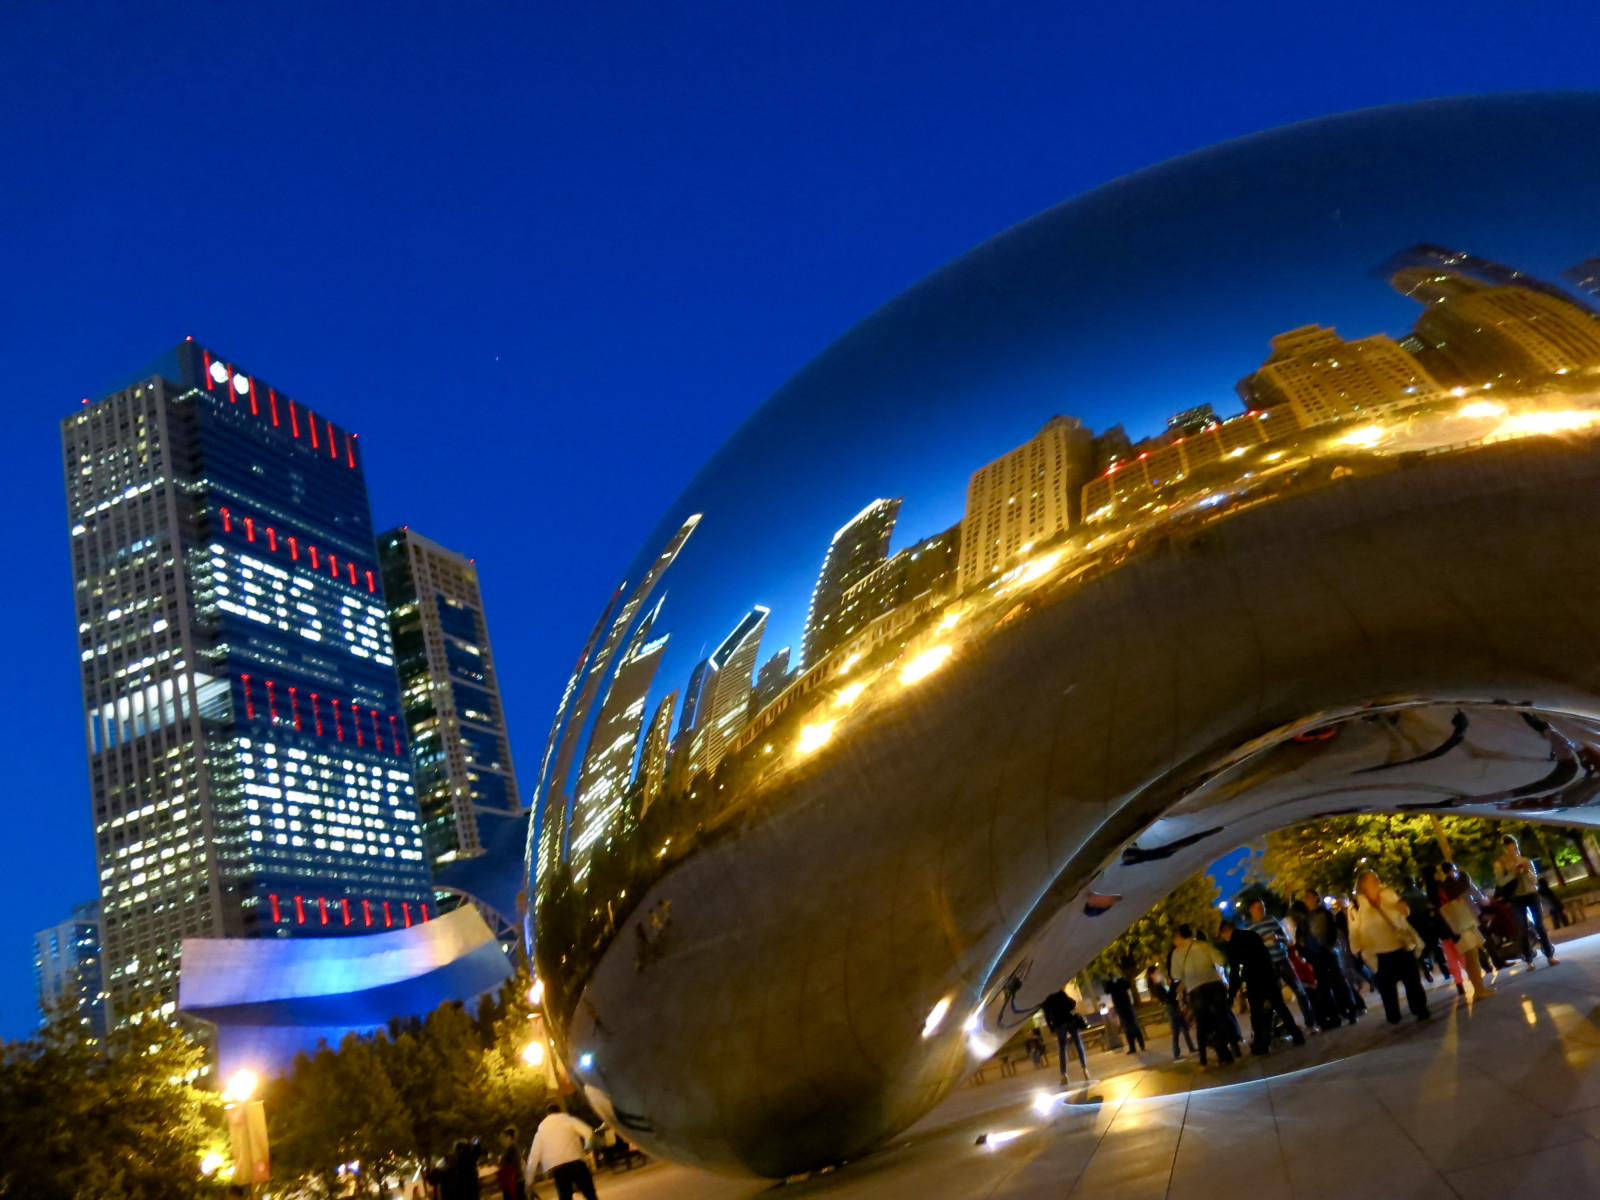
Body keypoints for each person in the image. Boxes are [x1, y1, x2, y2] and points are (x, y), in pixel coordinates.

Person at [1347, 870, 1431, 1023]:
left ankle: (1420, 1009)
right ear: (1363, 885)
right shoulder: (1356, 905)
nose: (1376, 881)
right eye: (1372, 879)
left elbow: (1404, 913)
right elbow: (1353, 929)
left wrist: (1403, 908)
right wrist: (1357, 949)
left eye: (1376, 878)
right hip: (1379, 953)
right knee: (1387, 989)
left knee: (1412, 981)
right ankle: (1393, 1015)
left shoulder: (1389, 895)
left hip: (1401, 946)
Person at [1219, 919, 1306, 1054]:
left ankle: (1261, 1044)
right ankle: (1297, 1035)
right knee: (1280, 1006)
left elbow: (1236, 971)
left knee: (1256, 1014)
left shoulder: (1233, 945)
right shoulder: (1252, 935)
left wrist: (1232, 993)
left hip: (1254, 980)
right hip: (1268, 975)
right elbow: (1265, 953)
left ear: (1225, 933)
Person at [1244, 899, 1316, 1030]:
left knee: (1299, 990)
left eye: (1262, 907)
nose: (1261, 909)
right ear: (1251, 910)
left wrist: (1278, 938)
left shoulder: (1271, 920)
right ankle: (1288, 1027)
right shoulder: (1249, 928)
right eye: (1258, 907)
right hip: (1268, 965)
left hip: (1282, 959)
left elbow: (1287, 939)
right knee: (1276, 999)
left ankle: (1310, 1023)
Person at [1170, 924, 1236, 1065]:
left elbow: (1175, 975)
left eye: (1174, 937)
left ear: (1180, 936)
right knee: (1223, 1018)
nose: (1173, 941)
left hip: (1196, 990)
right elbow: (1221, 960)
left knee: (1201, 1024)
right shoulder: (1204, 945)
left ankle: (1203, 1061)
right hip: (1214, 984)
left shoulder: (1177, 953)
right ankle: (1235, 1050)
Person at [1294, 889, 1360, 1026]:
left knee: (1338, 982)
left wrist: (1329, 945)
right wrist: (1303, 950)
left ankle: (1350, 1010)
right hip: (1314, 955)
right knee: (1323, 987)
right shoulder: (1304, 918)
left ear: (1315, 898)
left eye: (1308, 896)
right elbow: (1300, 936)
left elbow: (1332, 930)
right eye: (1305, 897)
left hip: (1327, 952)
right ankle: (1334, 1016)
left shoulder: (1324, 913)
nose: (1306, 899)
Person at [1431, 862, 1494, 1000]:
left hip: (1459, 924)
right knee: (1472, 957)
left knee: (1471, 957)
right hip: (1463, 923)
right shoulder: (1452, 884)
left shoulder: (1439, 888)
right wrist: (1461, 875)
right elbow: (1466, 887)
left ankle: (1479, 988)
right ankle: (1479, 990)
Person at [1495, 836, 1559, 967]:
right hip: (1515, 897)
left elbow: (1534, 880)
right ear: (1505, 849)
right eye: (1510, 849)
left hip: (1531, 894)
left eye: (1515, 848)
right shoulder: (1499, 864)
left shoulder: (1525, 860)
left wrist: (1526, 871)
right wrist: (1514, 873)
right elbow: (1500, 882)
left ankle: (1549, 955)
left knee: (1540, 925)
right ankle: (1529, 959)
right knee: (1522, 928)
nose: (1514, 851)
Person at [526, 1105, 598, 1200]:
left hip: (558, 1167)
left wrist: (529, 1180)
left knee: (565, 1196)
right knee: (590, 1194)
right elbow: (588, 1131)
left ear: (547, 1114)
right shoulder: (569, 1120)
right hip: (576, 1162)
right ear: (560, 1111)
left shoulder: (541, 1131)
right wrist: (587, 1147)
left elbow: (533, 1156)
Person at [1039, 988, 1090, 1082]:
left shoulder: (1047, 999)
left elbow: (1047, 1016)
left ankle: (1064, 1074)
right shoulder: (1060, 993)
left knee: (1062, 1049)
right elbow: (1072, 1005)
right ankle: (1084, 1068)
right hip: (1069, 1021)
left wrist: (1051, 1028)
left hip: (1058, 1024)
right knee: (1078, 1043)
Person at [1146, 964, 1195, 1059]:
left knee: (1185, 1027)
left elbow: (1170, 995)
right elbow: (1167, 998)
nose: (1160, 974)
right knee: (1176, 1031)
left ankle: (1191, 1048)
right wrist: (1173, 987)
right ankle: (1176, 1053)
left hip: (1174, 1006)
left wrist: (1175, 992)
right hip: (1171, 1008)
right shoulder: (1156, 987)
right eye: (1158, 972)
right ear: (1152, 975)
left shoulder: (1161, 984)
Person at [1102, 975, 1145, 1054]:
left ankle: (1141, 1044)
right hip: (1120, 1006)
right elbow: (1107, 990)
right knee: (1127, 1027)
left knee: (1134, 1025)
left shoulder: (1121, 981)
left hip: (1127, 1004)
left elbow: (1128, 985)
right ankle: (1132, 1047)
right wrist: (1111, 981)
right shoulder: (1110, 983)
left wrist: (1120, 979)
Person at [498, 1125, 528, 1200]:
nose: (501, 1141)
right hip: (514, 1182)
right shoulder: (511, 1149)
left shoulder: (512, 1150)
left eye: (503, 1138)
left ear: (509, 1138)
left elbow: (513, 1165)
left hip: (514, 1183)